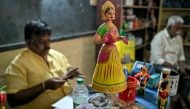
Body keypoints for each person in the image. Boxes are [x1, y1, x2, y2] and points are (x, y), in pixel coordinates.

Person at [4, 20, 85, 109]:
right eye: (42, 42)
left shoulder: (57, 55)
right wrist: (44, 86)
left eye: (48, 40)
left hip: (69, 104)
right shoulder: (18, 65)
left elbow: (67, 68)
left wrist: (70, 72)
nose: (48, 45)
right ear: (29, 43)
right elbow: (13, 100)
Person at [150, 15, 190, 108]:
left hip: (174, 66)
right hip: (158, 65)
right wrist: (177, 67)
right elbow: (158, 59)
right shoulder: (159, 37)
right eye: (177, 28)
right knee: (174, 74)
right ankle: (169, 102)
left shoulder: (178, 38)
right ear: (169, 26)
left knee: (187, 77)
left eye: (180, 28)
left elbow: (181, 55)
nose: (179, 31)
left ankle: (180, 101)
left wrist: (183, 66)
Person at [91, 1, 128, 93]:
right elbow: (95, 40)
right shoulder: (103, 27)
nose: (112, 15)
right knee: (105, 73)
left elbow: (115, 38)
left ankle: (113, 91)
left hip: (113, 52)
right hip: (106, 51)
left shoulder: (114, 26)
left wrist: (121, 38)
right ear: (104, 14)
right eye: (109, 13)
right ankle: (106, 92)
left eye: (113, 13)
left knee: (114, 72)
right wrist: (103, 40)